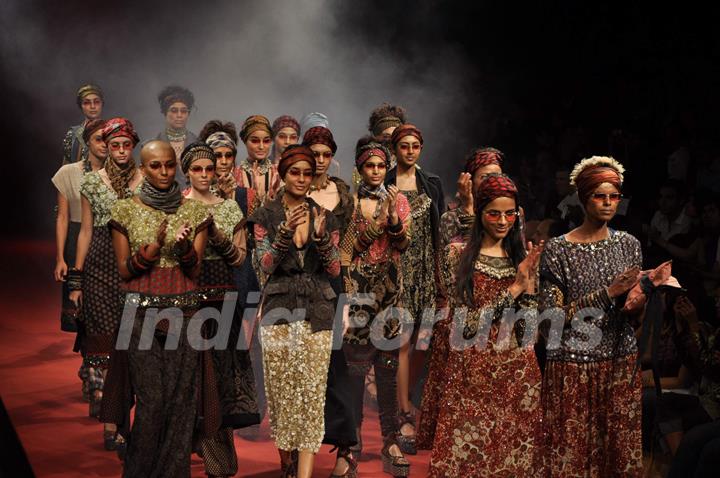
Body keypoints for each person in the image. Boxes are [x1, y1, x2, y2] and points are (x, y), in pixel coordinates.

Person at [427, 174, 545, 476]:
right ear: (480, 213)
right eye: (494, 213)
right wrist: (514, 290)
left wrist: (529, 289)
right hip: (472, 371)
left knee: (512, 460)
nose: (503, 221)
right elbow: (466, 328)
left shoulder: (523, 259)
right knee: (466, 460)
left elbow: (528, 333)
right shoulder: (457, 255)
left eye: (509, 213)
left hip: (517, 374)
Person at [108, 140, 209, 478]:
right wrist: (151, 250)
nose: (164, 172)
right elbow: (124, 270)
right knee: (151, 403)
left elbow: (194, 272)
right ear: (143, 168)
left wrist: (182, 248)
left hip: (187, 313)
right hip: (138, 315)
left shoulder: (194, 212)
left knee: (182, 404)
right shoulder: (124, 210)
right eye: (155, 166)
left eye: (169, 165)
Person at [540, 156, 644, 477]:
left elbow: (635, 313)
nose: (609, 203)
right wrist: (607, 293)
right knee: (572, 456)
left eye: (614, 197)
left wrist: (640, 299)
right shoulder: (559, 250)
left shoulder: (629, 245)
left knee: (617, 454)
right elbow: (550, 322)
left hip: (619, 360)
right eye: (600, 196)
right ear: (584, 198)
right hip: (572, 366)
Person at [249, 145, 341, 478]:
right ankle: (286, 463)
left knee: (312, 397)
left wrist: (322, 240)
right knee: (283, 396)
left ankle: (302, 474)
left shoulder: (324, 216)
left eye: (307, 173)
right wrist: (285, 232)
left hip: (318, 313)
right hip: (278, 311)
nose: (302, 179)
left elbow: (333, 270)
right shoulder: (265, 216)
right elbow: (265, 265)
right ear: (283, 175)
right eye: (295, 172)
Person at [182, 142, 260, 477]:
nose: (203, 175)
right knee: (188, 379)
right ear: (187, 171)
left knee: (221, 383)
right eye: (197, 169)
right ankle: (183, 445)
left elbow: (241, 258)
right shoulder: (177, 207)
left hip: (223, 301)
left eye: (208, 169)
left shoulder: (229, 209)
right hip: (186, 301)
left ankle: (219, 462)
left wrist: (216, 235)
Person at [417, 146, 503, 449]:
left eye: (496, 176)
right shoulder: (451, 217)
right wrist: (468, 208)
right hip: (459, 310)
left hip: (498, 310)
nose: (491, 183)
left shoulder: (510, 215)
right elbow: (457, 262)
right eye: (484, 177)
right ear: (470, 180)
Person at [68, 118, 143, 448]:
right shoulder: (91, 183)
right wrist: (76, 278)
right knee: (103, 345)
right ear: (107, 147)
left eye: (127, 145)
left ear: (134, 146)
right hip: (99, 264)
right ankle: (111, 423)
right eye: (116, 145)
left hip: (136, 266)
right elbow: (84, 230)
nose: (122, 151)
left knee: (132, 344)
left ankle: (129, 422)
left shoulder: (145, 180)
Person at [342, 138, 411, 477]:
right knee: (354, 374)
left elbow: (405, 243)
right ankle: (351, 443)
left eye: (381, 166)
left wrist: (393, 221)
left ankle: (390, 440)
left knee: (385, 371)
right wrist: (375, 225)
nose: (375, 171)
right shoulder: (350, 203)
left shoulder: (398, 199)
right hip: (357, 294)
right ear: (360, 168)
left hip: (389, 295)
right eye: (369, 165)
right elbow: (345, 251)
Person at [385, 123, 445, 455]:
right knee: (403, 342)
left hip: (425, 268)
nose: (409, 151)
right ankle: (403, 414)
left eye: (415, 146)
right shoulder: (386, 183)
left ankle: (408, 402)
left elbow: (439, 234)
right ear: (395, 148)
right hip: (397, 269)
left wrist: (441, 279)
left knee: (424, 339)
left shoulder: (432, 183)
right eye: (404, 146)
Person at [302, 126, 358, 477]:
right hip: (297, 286)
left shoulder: (344, 195)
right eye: (314, 154)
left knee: (335, 368)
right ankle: (295, 453)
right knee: (299, 370)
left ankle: (344, 450)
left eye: (325, 154)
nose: (320, 161)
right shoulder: (290, 189)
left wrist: (348, 300)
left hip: (333, 285)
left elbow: (348, 252)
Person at [53, 119, 106, 403]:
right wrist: (60, 256)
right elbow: (62, 216)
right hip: (76, 238)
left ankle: (94, 370)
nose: (104, 145)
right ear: (87, 142)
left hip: (106, 241)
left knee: (99, 311)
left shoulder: (117, 175)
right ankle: (91, 366)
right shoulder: (68, 173)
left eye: (108, 140)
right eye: (98, 139)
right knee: (81, 311)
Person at [235, 115, 281, 211]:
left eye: (266, 141)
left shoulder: (279, 172)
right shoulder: (235, 174)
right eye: (255, 141)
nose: (261, 146)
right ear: (245, 141)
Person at [154, 85, 198, 184]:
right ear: (165, 112)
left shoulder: (199, 143)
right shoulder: (152, 146)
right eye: (174, 111)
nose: (179, 115)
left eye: (183, 111)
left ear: (188, 113)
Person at [62, 83, 104, 165]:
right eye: (87, 103)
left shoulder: (111, 131)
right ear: (81, 106)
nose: (92, 106)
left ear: (102, 104)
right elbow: (66, 166)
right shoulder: (73, 134)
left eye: (96, 102)